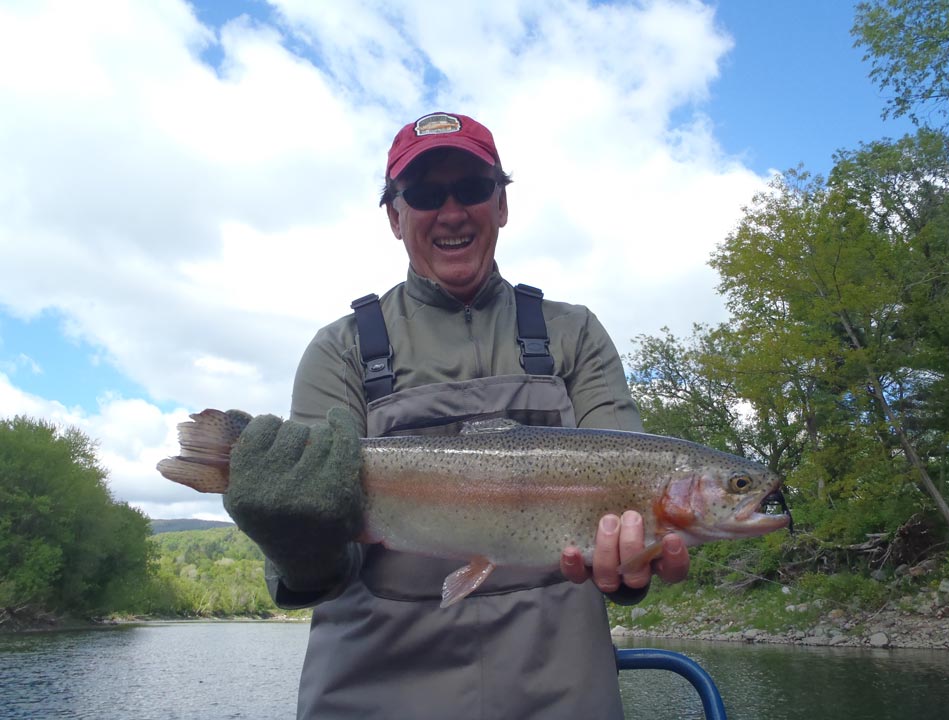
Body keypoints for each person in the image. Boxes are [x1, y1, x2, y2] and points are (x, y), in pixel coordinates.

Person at [223, 111, 690, 719]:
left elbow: (632, 486)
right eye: (423, 193)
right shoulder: (338, 350)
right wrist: (298, 542)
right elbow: (320, 571)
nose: (450, 211)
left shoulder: (573, 333)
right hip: (378, 691)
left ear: (501, 204)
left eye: (472, 188)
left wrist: (633, 566)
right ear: (394, 215)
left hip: (559, 690)